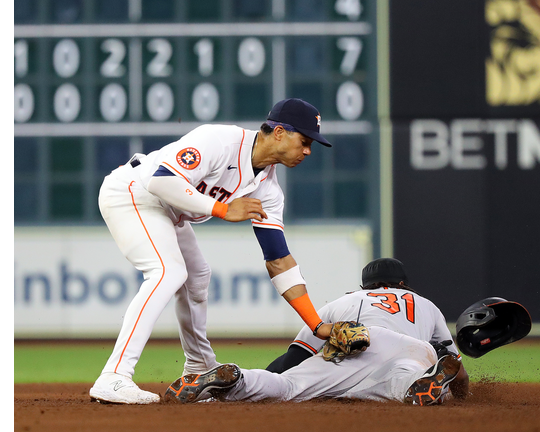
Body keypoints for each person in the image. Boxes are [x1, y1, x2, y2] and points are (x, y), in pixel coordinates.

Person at [89, 98, 336, 404]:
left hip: (169, 213)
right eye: (305, 141)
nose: (308, 151)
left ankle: (199, 367)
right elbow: (161, 182)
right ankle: (114, 375)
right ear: (279, 132)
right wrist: (222, 209)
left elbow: (279, 261)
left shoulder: (268, 191)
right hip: (132, 192)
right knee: (169, 271)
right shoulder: (219, 141)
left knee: (197, 277)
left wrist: (317, 325)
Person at [163, 258, 470, 406]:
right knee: (403, 385)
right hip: (415, 351)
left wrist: (272, 375)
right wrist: (464, 396)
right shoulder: (426, 305)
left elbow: (294, 357)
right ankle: (424, 383)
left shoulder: (345, 301)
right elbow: (460, 371)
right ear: (403, 284)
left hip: (357, 341)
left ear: (365, 287)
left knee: (286, 387)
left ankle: (238, 378)